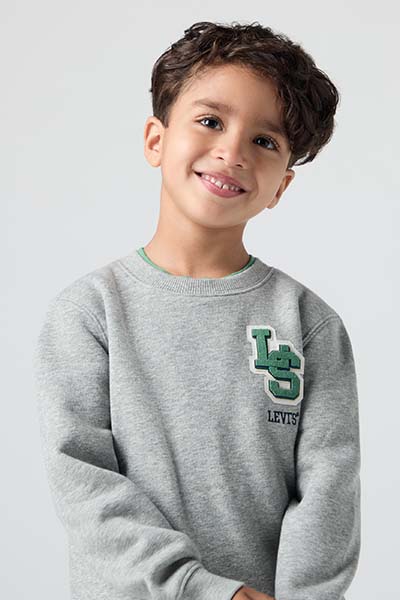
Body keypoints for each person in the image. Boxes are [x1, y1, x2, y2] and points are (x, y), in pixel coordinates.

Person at [33, 20, 361, 600]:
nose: (232, 152)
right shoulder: (89, 312)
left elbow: (328, 492)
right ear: (155, 140)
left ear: (281, 187)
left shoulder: (310, 325)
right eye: (210, 121)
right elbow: (83, 483)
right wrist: (202, 588)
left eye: (264, 141)